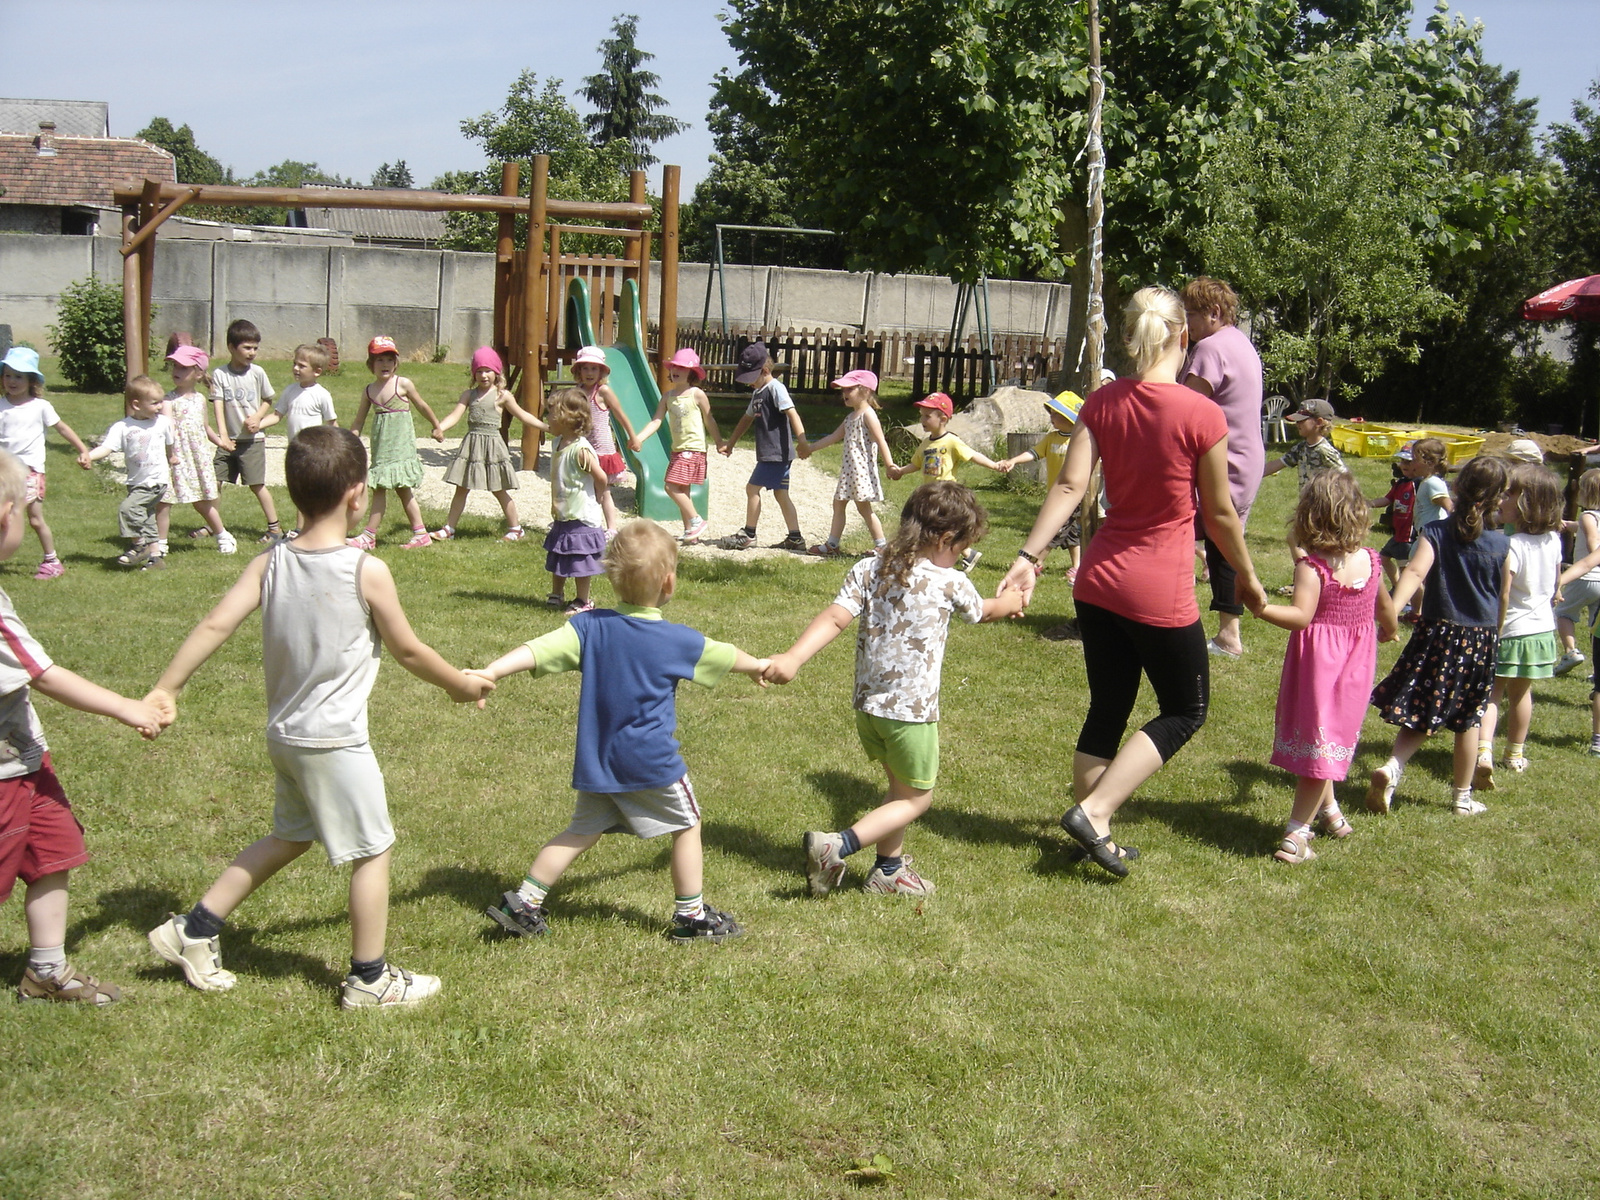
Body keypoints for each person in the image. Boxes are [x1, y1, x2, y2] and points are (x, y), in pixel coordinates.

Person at [144, 426, 492, 1008]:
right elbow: (407, 649)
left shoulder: (269, 562)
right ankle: (369, 979)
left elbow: (213, 625)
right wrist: (460, 684)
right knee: (373, 850)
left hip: (285, 736)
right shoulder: (365, 570)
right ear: (358, 495)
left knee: (289, 837)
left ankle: (193, 929)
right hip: (334, 742)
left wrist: (166, 687)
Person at [997, 286, 1265, 878]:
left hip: (1096, 581)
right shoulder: (1202, 413)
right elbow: (1219, 514)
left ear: (1130, 338)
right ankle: (1094, 813)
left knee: (1109, 706)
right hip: (1157, 587)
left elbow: (1069, 488)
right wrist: (1245, 576)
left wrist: (1027, 555)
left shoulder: (1101, 401)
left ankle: (1096, 831)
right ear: (1184, 337)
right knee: (1186, 708)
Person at [475, 519, 768, 942]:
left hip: (600, 762)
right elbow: (725, 656)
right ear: (669, 584)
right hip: (651, 762)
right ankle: (691, 915)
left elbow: (536, 650)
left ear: (609, 579)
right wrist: (759, 664)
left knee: (580, 832)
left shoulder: (588, 628)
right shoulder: (677, 640)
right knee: (688, 824)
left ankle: (522, 901)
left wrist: (492, 671)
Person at [768, 482, 1025, 897]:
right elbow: (984, 612)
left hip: (869, 708)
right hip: (911, 713)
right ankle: (838, 846)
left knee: (897, 788)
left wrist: (793, 657)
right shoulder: (949, 581)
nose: (958, 556)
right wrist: (1011, 601)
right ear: (945, 539)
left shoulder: (870, 568)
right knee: (917, 798)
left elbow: (835, 617)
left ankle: (888, 871)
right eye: (960, 547)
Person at [0, 448, 164, 1002]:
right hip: (1, 774)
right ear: (6, 517)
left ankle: (45, 971)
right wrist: (127, 706)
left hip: (25, 760)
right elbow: (42, 675)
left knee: (53, 848)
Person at [1252, 471, 1398, 864]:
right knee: (1327, 740)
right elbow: (1385, 607)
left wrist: (1261, 607)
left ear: (1308, 516)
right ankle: (1330, 813)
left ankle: (1295, 834)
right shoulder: (1371, 560)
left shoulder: (1311, 568)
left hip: (1318, 666)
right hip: (1354, 666)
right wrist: (1390, 630)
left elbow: (1301, 616)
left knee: (1320, 744)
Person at [1368, 455, 1511, 817]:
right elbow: (1503, 596)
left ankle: (1393, 768)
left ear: (1457, 489)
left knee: (1420, 710)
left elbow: (1415, 573)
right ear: (1499, 497)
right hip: (1479, 639)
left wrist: (1391, 616)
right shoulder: (1501, 543)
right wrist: (1498, 631)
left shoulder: (1435, 533)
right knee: (1469, 720)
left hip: (1436, 634)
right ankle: (1461, 798)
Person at [1181, 277, 1264, 659]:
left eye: (1192, 315)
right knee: (1223, 546)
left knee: (1178, 536)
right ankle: (1228, 634)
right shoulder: (1241, 343)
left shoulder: (1210, 348)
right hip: (1245, 461)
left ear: (1213, 313)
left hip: (1222, 465)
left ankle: (1170, 621)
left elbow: (1185, 407)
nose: (1187, 323)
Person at [1476, 463, 1564, 785]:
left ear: (1526, 504)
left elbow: (1504, 593)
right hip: (1541, 632)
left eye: (1510, 494)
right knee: (1522, 695)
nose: (1503, 498)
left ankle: (1483, 751)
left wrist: (1494, 628)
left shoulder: (1511, 545)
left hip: (1509, 630)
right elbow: (1556, 585)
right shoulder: (1554, 540)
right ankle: (1514, 755)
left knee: (1492, 695)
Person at [431, 347, 545, 543]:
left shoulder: (503, 395)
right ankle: (449, 528)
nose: (483, 375)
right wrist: (440, 427)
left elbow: (523, 415)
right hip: (472, 445)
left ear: (496, 372)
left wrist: (546, 426)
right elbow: (455, 415)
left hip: (493, 447)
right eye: (479, 371)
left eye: (488, 370)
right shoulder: (469, 395)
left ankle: (515, 528)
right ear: (473, 373)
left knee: (499, 488)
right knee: (461, 487)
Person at [890, 391, 1008, 571]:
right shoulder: (925, 443)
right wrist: (900, 472)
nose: (922, 420)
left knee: (939, 527)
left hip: (946, 492)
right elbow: (916, 463)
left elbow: (973, 455)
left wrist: (994, 465)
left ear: (943, 419)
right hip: (930, 493)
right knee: (932, 527)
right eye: (921, 415)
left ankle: (942, 555)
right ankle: (965, 554)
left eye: (927, 416)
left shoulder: (952, 441)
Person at [346, 336, 445, 550]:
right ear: (371, 363)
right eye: (380, 360)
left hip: (400, 446)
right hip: (382, 448)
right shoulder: (369, 391)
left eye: (389, 360)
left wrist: (437, 425)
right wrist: (349, 442)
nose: (385, 364)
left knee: (395, 488)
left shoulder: (403, 384)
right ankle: (418, 533)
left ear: (396, 363)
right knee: (388, 489)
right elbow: (359, 420)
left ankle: (371, 536)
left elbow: (422, 405)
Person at [0, 346, 88, 579]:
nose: (12, 381)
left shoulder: (40, 407)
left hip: (30, 473)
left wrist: (82, 449)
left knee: (34, 519)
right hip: (5, 475)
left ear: (31, 381)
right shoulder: (1, 406)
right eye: (7, 375)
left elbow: (62, 428)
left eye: (19, 376)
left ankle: (52, 561)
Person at [716, 341, 810, 551]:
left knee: (752, 489)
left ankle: (749, 534)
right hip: (771, 454)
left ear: (765, 371)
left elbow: (792, 413)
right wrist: (730, 443)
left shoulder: (776, 388)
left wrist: (802, 441)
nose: (749, 383)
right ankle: (795, 538)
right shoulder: (758, 392)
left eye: (751, 378)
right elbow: (746, 419)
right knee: (781, 494)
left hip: (776, 454)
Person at [79, 376, 177, 571]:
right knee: (147, 517)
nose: (160, 407)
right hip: (135, 481)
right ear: (136, 404)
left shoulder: (163, 423)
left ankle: (139, 546)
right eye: (154, 403)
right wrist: (89, 456)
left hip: (156, 480)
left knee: (128, 509)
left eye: (160, 402)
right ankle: (155, 559)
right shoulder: (122, 427)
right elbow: (106, 448)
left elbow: (169, 443)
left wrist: (172, 457)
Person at [804, 369, 900, 557]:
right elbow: (833, 437)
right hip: (849, 471)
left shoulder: (868, 415)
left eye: (849, 389)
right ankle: (832, 544)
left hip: (861, 472)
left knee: (864, 508)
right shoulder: (850, 417)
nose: (844, 394)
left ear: (865, 391)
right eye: (843, 390)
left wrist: (889, 464)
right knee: (838, 504)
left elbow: (881, 441)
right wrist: (811, 448)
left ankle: (882, 545)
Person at [632, 348, 722, 543]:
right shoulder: (668, 396)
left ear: (692, 373)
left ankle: (696, 520)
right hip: (678, 449)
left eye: (681, 368)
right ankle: (691, 532)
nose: (675, 370)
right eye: (674, 367)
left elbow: (709, 420)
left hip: (693, 448)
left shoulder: (696, 394)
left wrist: (719, 442)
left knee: (671, 487)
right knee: (683, 490)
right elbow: (656, 421)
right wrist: (639, 438)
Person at [996, 391, 1084, 584]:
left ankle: (1035, 562)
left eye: (1056, 414)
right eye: (1051, 413)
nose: (1051, 418)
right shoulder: (1052, 438)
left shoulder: (1080, 440)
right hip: (1056, 495)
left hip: (1075, 496)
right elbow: (1034, 453)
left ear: (1070, 417)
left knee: (1054, 529)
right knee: (1071, 533)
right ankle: (1078, 567)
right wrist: (1014, 461)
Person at [210, 319, 284, 543]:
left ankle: (274, 528)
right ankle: (213, 525)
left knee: (256, 485)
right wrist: (223, 436)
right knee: (214, 483)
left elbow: (268, 399)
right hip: (228, 441)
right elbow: (218, 405)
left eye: (255, 348)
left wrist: (258, 417)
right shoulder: (220, 374)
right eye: (247, 348)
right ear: (232, 348)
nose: (252, 353)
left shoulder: (258, 373)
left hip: (252, 441)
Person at [541, 388, 610, 614]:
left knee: (579, 560)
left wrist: (600, 494)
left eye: (551, 413)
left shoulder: (580, 450)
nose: (547, 417)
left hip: (581, 515)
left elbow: (600, 476)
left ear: (566, 418)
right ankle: (557, 593)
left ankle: (583, 600)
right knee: (560, 554)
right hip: (563, 512)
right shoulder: (558, 443)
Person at [162, 345, 235, 555]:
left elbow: (205, 427)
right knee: (164, 502)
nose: (177, 370)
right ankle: (161, 545)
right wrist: (169, 453)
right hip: (174, 457)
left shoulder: (200, 400)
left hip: (196, 457)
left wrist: (220, 442)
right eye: (175, 366)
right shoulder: (168, 400)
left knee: (202, 502)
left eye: (184, 367)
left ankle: (222, 535)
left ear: (199, 373)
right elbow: (167, 430)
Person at [572, 345, 637, 534]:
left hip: (601, 449)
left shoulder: (603, 392)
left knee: (604, 489)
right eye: (585, 368)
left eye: (594, 368)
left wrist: (632, 437)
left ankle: (611, 528)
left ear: (601, 371)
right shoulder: (577, 392)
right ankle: (584, 523)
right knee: (583, 488)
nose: (590, 373)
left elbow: (620, 414)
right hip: (583, 447)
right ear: (579, 371)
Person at [1552, 467, 1600, 679]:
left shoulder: (1587, 516)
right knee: (1595, 626)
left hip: (1584, 577)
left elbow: (1592, 541)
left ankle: (1571, 651)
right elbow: (1580, 526)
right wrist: (1566, 525)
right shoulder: (1589, 518)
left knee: (1563, 612)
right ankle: (1597, 670)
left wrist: (1594, 553)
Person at [254, 343, 338, 441]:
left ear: (317, 372)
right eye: (295, 363)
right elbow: (276, 416)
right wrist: (257, 425)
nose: (295, 368)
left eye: (301, 366)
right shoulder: (289, 390)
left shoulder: (322, 394)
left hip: (312, 447)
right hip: (294, 446)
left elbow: (331, 423)